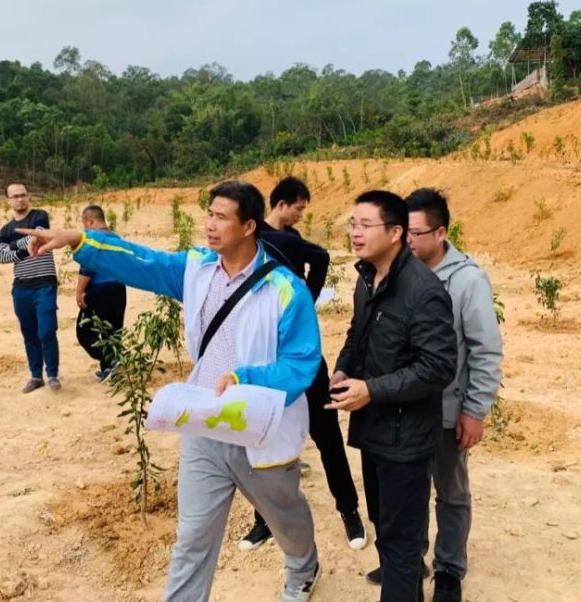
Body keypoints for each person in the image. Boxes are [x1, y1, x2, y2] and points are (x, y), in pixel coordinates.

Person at [20, 181, 323, 602]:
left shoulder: (285, 289)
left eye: (221, 217)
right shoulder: (197, 268)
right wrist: (80, 240)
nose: (210, 225)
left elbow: (302, 361)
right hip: (204, 424)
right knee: (192, 538)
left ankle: (303, 569)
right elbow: (142, 261)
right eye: (209, 214)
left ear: (249, 225)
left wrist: (246, 379)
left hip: (260, 431)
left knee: (285, 518)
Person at [327, 190, 457, 602]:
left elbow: (438, 367)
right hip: (375, 429)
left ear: (397, 231)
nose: (356, 233)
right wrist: (344, 367)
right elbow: (358, 334)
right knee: (386, 530)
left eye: (366, 225)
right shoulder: (368, 278)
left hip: (406, 438)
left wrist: (373, 390)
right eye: (353, 224)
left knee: (402, 546)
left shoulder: (423, 290)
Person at [239, 176, 366, 553]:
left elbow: (323, 257)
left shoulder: (285, 242)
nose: (299, 214)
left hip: (302, 355)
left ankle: (350, 511)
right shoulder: (248, 243)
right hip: (262, 356)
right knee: (260, 435)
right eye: (298, 207)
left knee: (326, 434)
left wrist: (306, 299)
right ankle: (263, 520)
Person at [403, 189, 503, 602]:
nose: (406, 240)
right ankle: (410, 562)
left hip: (446, 411)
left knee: (451, 492)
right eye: (401, 231)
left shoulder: (467, 281)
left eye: (415, 232)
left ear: (441, 232)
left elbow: (484, 348)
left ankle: (449, 569)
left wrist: (475, 410)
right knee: (407, 492)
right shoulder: (399, 272)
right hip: (404, 408)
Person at [0, 183, 61, 392]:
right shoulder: (6, 230)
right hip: (22, 287)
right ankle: (36, 376)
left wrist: (14, 245)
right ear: (8, 200)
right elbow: (2, 256)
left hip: (44, 283)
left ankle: (52, 374)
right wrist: (25, 248)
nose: (20, 199)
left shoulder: (39, 216)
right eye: (15, 196)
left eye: (23, 195)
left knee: (47, 331)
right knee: (29, 334)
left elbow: (40, 235)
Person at [75, 205, 126, 381]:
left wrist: (79, 292)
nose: (84, 228)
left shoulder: (92, 238)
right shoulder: (116, 238)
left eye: (84, 224)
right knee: (113, 331)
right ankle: (109, 370)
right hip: (119, 289)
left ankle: (111, 360)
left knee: (84, 332)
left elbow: (87, 267)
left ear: (90, 221)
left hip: (100, 290)